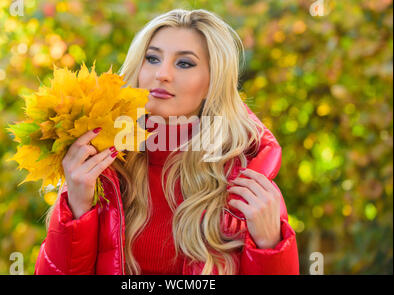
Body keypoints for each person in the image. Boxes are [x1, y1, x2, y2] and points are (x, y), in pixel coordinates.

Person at [34, 9, 299, 275]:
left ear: (212, 82)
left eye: (184, 63)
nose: (162, 74)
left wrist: (268, 247)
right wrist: (78, 208)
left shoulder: (247, 180)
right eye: (152, 58)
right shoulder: (100, 168)